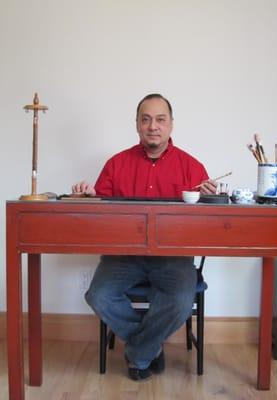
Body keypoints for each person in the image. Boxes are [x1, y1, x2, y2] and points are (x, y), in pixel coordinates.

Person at [72, 93, 217, 381]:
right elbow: (100, 215)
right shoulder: (116, 164)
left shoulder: (192, 167)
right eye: (146, 119)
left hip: (173, 258)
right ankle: (150, 348)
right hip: (124, 256)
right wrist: (90, 198)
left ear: (171, 125)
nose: (153, 126)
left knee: (179, 300)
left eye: (160, 120)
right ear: (137, 125)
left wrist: (211, 199)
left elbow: (205, 223)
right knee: (98, 296)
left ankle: (140, 352)